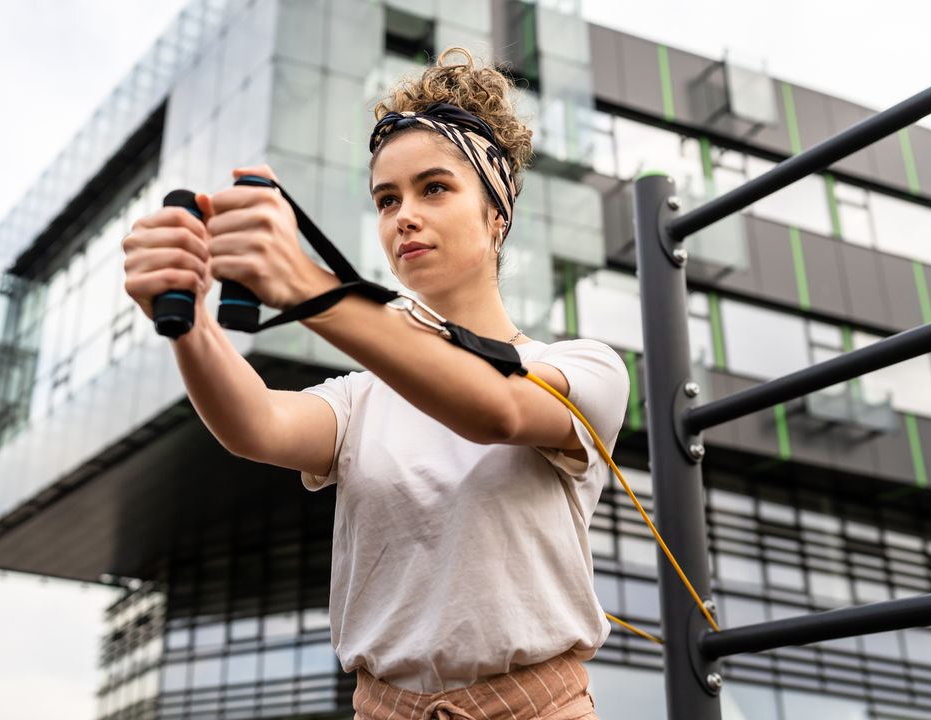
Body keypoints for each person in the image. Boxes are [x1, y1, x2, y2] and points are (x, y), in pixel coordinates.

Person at [121, 46, 629, 720]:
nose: (404, 216)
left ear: (496, 214)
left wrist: (305, 284)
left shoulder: (586, 368)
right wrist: (186, 322)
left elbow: (498, 409)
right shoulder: (362, 397)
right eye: (386, 199)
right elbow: (256, 426)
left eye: (435, 188)